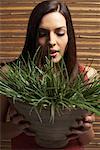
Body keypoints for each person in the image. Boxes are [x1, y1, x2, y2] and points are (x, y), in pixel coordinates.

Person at [0, 0, 97, 149]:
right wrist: (17, 127)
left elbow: (87, 140)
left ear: (68, 35)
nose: (52, 41)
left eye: (60, 33)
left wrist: (85, 129)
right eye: (43, 33)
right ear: (33, 36)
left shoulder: (88, 76)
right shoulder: (9, 75)